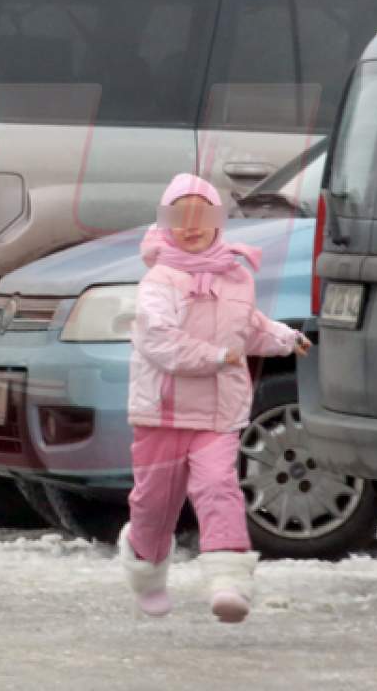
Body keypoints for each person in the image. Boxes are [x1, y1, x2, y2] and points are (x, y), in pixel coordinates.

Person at [119, 173, 311, 622]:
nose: (191, 226)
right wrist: (216, 356)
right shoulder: (159, 281)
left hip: (217, 414)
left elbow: (249, 326)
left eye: (201, 216)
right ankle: (145, 569)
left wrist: (286, 338)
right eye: (179, 217)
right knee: (154, 504)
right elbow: (159, 341)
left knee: (218, 489)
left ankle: (229, 580)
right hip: (162, 415)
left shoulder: (235, 275)